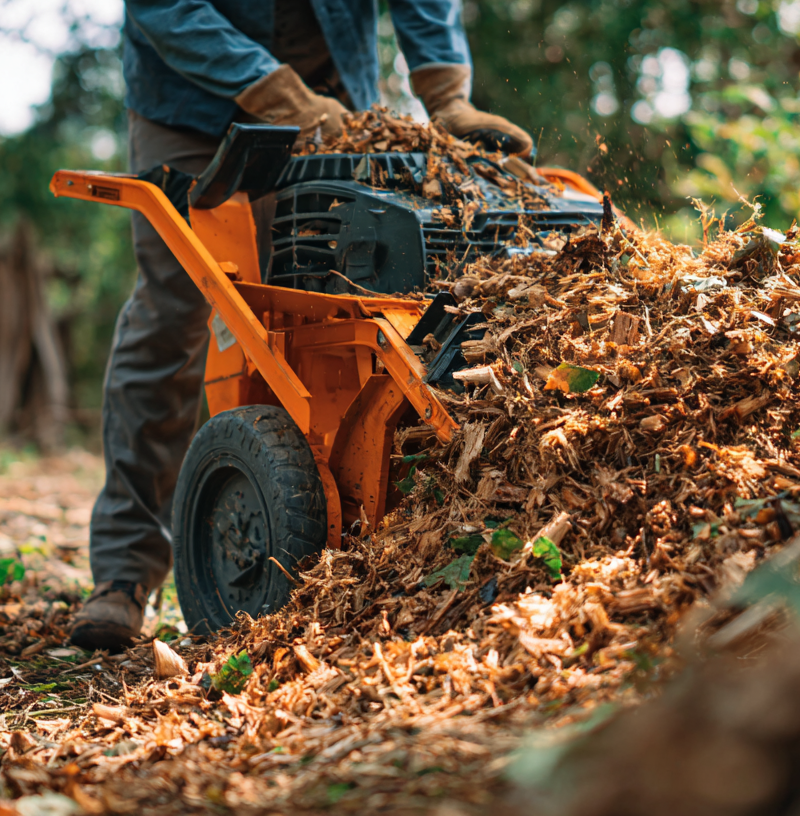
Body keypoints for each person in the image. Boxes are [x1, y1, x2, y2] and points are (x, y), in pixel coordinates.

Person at [69, 0, 533, 652]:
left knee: (346, 298)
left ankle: (367, 547)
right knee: (175, 304)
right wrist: (280, 96)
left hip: (331, 99)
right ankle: (124, 570)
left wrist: (445, 91)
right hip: (189, 103)